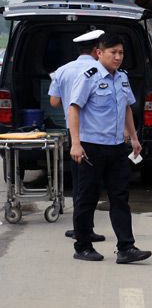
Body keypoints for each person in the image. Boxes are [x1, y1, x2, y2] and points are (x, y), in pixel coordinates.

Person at [68, 33, 152, 263]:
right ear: (99, 53)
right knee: (87, 198)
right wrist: (75, 143)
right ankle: (83, 246)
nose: (117, 57)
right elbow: (73, 109)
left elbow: (126, 108)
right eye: (113, 52)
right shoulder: (89, 77)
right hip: (90, 148)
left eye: (121, 53)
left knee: (120, 198)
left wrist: (133, 138)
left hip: (116, 148)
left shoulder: (122, 78)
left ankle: (126, 248)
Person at [48, 30, 106, 243]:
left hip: (74, 136)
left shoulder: (62, 70)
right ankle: (83, 230)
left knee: (80, 184)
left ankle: (81, 228)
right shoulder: (99, 70)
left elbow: (54, 102)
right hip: (95, 135)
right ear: (95, 50)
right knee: (90, 187)